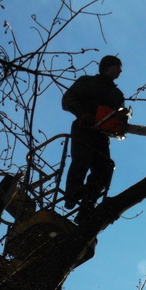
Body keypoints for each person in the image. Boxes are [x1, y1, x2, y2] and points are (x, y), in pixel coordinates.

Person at [61, 55, 125, 216]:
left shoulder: (117, 94)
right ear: (107, 67)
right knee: (82, 160)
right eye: (117, 66)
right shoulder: (87, 82)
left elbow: (120, 116)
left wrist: (121, 124)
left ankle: (88, 203)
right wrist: (82, 113)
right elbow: (67, 100)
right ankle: (73, 195)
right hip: (84, 128)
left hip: (102, 135)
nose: (120, 70)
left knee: (105, 168)